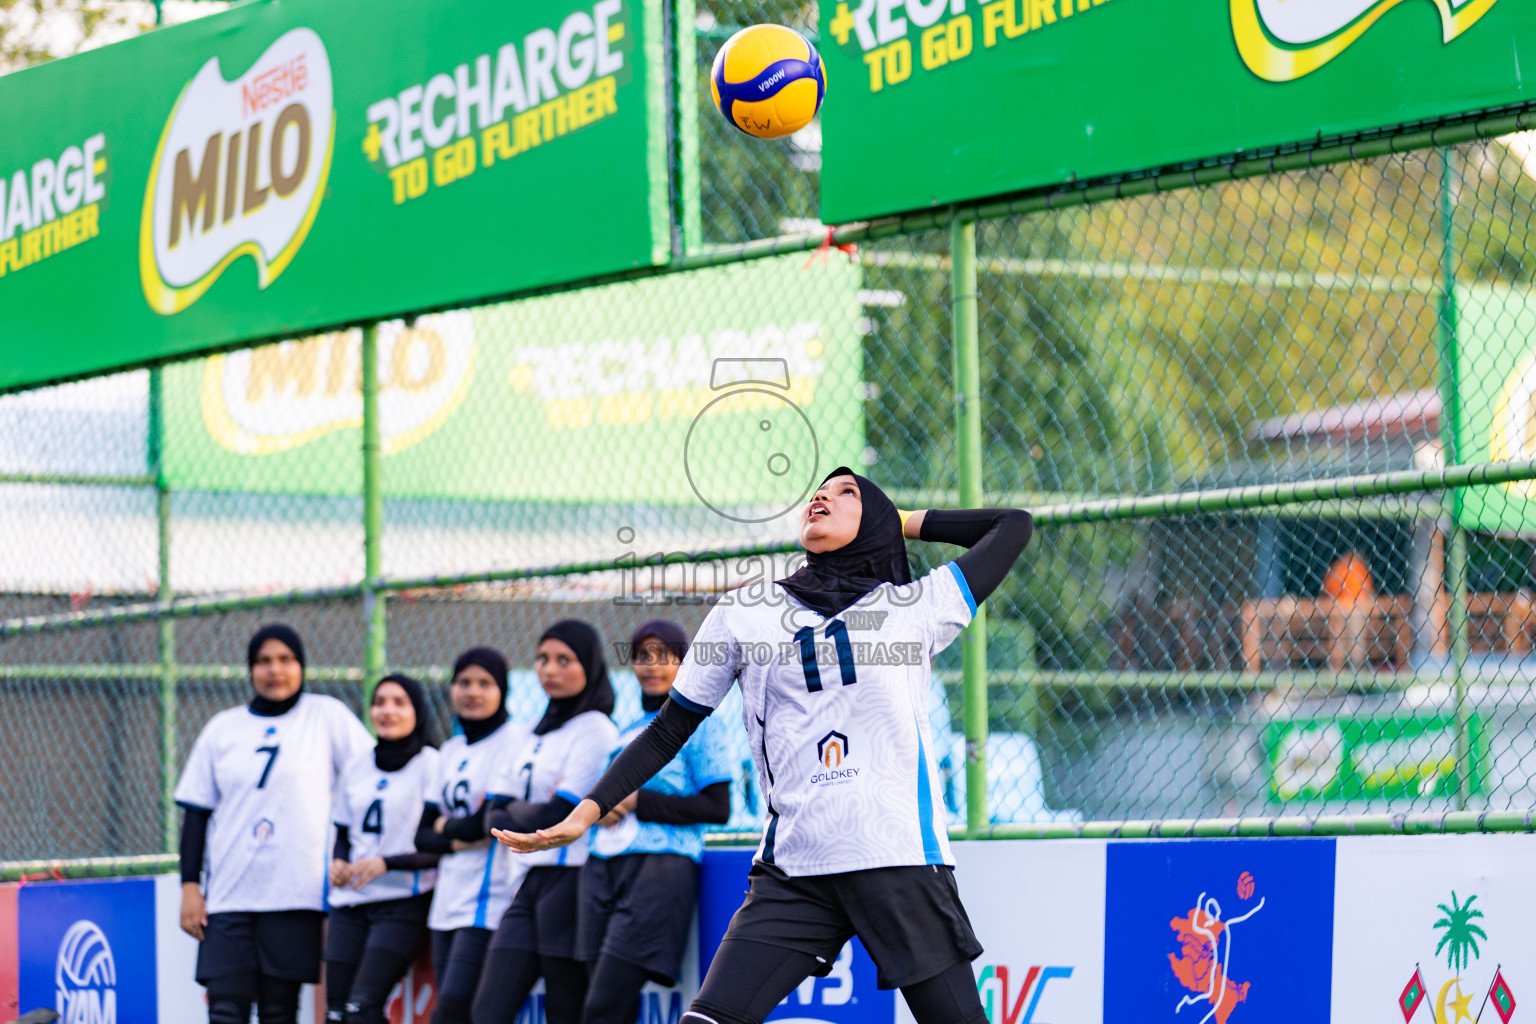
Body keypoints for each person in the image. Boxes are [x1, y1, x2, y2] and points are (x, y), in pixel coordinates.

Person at [494, 468, 1034, 1024]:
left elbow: (1012, 526)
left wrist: (900, 520)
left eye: (848, 493)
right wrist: (585, 813)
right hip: (794, 867)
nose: (822, 495)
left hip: (897, 859)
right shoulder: (745, 610)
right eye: (819, 490)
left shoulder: (915, 605)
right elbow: (666, 730)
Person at [176, 623, 373, 1024]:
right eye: (264, 661)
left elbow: (372, 779)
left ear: (302, 666)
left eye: (286, 660)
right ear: (250, 669)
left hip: (295, 893)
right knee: (225, 1011)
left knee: (278, 1014)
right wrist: (190, 887)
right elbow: (196, 813)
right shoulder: (222, 728)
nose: (275, 670)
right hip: (230, 895)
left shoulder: (326, 715)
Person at [577, 620, 734, 1024]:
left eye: (665, 656)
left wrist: (636, 801)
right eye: (642, 656)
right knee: (600, 1003)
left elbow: (718, 807)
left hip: (660, 867)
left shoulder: (701, 722)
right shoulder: (626, 729)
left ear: (685, 665)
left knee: (603, 1007)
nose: (652, 666)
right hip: (603, 866)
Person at [470, 620, 619, 1024]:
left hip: (572, 880)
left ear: (589, 665)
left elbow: (562, 815)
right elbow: (493, 815)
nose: (549, 670)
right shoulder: (529, 733)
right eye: (542, 659)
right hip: (529, 879)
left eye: (563, 660)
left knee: (564, 1010)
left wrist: (517, 809)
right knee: (487, 1011)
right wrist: (523, 811)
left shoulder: (596, 729)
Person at [325, 673, 442, 1024]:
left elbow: (438, 845)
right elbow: (344, 831)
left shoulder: (431, 763)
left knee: (362, 1009)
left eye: (399, 702)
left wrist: (386, 863)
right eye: (379, 702)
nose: (386, 710)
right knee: (335, 1015)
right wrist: (339, 862)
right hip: (350, 902)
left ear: (417, 711)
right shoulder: (357, 765)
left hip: (402, 903)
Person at [415, 648, 522, 1024]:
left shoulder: (513, 740)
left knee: (453, 1011)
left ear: (502, 690)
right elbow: (421, 835)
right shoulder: (450, 749)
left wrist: (447, 827)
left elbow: (485, 826)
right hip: (446, 903)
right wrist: (455, 832)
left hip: (486, 903)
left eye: (484, 683)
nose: (472, 692)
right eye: (463, 683)